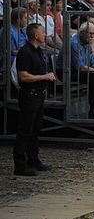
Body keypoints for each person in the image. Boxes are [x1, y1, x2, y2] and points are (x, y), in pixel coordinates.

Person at [13, 23, 56, 176]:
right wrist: (44, 77)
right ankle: (20, 165)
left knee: (35, 129)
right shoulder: (25, 52)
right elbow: (23, 76)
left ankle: (34, 160)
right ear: (36, 35)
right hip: (29, 95)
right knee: (25, 130)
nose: (45, 35)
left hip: (39, 95)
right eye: (43, 33)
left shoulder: (38, 51)